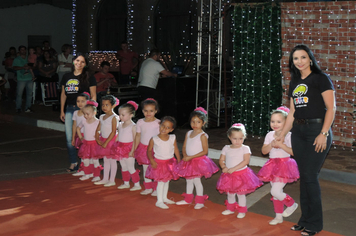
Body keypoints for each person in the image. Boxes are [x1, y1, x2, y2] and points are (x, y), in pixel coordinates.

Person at [277, 44, 335, 236]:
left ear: (310, 58)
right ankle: (304, 220)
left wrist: (323, 133)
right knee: (305, 177)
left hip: (317, 130)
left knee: (310, 176)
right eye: (295, 58)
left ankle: (315, 224)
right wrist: (283, 133)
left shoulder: (321, 78)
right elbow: (292, 113)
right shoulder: (294, 82)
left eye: (303, 57)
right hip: (299, 132)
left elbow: (331, 108)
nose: (299, 61)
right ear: (292, 62)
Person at [257, 106, 299, 225]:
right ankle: (278, 217)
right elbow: (264, 151)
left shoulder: (289, 136)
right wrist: (271, 144)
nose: (275, 124)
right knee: (276, 192)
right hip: (271, 166)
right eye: (272, 121)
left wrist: (281, 145)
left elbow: (293, 152)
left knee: (275, 191)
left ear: (286, 122)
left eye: (279, 122)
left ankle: (291, 204)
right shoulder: (269, 135)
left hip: (285, 165)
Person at [175, 107, 219, 210]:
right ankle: (188, 199)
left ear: (203, 123)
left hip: (198, 161)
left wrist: (191, 157)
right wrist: (185, 155)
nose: (195, 124)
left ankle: (200, 201)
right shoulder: (189, 133)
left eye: (198, 122)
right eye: (193, 121)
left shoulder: (203, 135)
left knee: (196, 181)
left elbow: (205, 151)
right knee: (188, 180)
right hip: (188, 160)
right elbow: (184, 146)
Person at [216, 123, 263, 218]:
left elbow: (246, 161)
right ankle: (230, 208)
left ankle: (242, 210)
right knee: (230, 193)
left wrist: (233, 168)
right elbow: (221, 159)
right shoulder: (226, 148)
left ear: (244, 137)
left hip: (241, 174)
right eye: (235, 139)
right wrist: (223, 167)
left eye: (240, 139)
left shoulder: (245, 148)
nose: (237, 141)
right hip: (229, 175)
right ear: (229, 137)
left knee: (241, 194)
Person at [60, 53, 97, 172]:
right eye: (77, 60)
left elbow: (93, 95)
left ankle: (85, 164)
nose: (79, 63)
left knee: (85, 137)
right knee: (69, 137)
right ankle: (73, 162)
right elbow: (63, 94)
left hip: (84, 110)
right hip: (70, 109)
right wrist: (62, 110)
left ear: (85, 64)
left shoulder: (89, 77)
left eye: (82, 62)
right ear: (73, 62)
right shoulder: (66, 76)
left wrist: (91, 110)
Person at [145, 116, 181, 209]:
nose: (164, 128)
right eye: (163, 126)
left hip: (170, 163)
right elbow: (149, 151)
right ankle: (159, 201)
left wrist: (179, 160)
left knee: (167, 181)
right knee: (161, 182)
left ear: (171, 130)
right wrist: (152, 160)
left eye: (167, 127)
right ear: (159, 125)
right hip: (159, 163)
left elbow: (176, 149)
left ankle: (164, 198)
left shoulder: (172, 138)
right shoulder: (154, 139)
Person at [133, 98, 160, 195]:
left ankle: (156, 189)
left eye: (151, 111)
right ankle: (148, 187)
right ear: (142, 111)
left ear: (156, 111)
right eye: (146, 111)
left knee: (155, 168)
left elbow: (161, 137)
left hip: (155, 149)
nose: (148, 113)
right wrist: (134, 149)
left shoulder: (158, 123)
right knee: (145, 169)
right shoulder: (140, 122)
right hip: (143, 149)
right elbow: (138, 136)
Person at [112, 101, 141, 191]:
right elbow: (118, 136)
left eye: (123, 115)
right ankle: (126, 183)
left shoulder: (133, 126)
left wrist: (132, 151)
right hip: (120, 148)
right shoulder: (120, 125)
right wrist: (114, 146)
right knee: (123, 166)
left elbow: (135, 140)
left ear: (131, 115)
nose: (120, 117)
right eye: (119, 114)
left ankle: (137, 184)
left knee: (130, 167)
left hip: (129, 148)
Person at [94, 95, 119, 186]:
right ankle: (105, 178)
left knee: (112, 160)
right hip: (103, 140)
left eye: (107, 105)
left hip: (111, 141)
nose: (104, 107)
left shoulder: (114, 117)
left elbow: (113, 132)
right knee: (105, 160)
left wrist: (106, 143)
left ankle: (112, 180)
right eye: (103, 105)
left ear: (113, 105)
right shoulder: (101, 116)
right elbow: (98, 129)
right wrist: (97, 138)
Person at [77, 100, 100, 181]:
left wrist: (98, 136)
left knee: (94, 161)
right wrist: (80, 137)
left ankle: (96, 175)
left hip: (94, 144)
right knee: (86, 160)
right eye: (84, 114)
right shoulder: (84, 121)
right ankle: (87, 174)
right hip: (86, 143)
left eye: (87, 114)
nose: (86, 116)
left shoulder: (98, 122)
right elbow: (78, 128)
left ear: (94, 112)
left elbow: (101, 131)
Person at [71, 92, 90, 177]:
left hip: (87, 136)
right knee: (82, 153)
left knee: (87, 154)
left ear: (87, 102)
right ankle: (82, 169)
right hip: (79, 136)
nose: (80, 103)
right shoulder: (75, 113)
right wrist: (73, 138)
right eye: (78, 101)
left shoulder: (88, 113)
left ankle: (88, 171)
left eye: (82, 101)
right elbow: (74, 125)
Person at [12, 45, 35, 113]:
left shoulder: (28, 58)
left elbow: (33, 67)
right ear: (19, 51)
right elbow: (14, 67)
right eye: (22, 50)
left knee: (29, 94)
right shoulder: (17, 59)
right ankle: (18, 107)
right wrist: (22, 68)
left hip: (29, 78)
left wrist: (30, 67)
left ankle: (28, 107)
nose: (23, 51)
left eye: (24, 50)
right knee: (19, 94)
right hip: (21, 79)